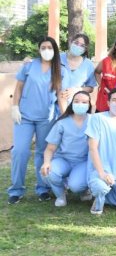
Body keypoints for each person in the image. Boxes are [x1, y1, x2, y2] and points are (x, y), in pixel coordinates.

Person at [8, 36, 67, 205]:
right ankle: (16, 190)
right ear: (39, 49)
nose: (46, 50)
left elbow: (61, 96)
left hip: (46, 119)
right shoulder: (28, 66)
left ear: (54, 50)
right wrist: (14, 107)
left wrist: (64, 116)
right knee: (19, 151)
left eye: (50, 47)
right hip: (24, 117)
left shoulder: (59, 70)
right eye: (43, 47)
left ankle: (42, 188)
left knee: (43, 154)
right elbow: (18, 88)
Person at [40, 91, 92, 207]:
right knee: (49, 173)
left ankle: (84, 190)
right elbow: (50, 148)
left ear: (89, 105)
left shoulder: (94, 121)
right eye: (76, 101)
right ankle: (60, 195)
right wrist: (47, 162)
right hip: (64, 160)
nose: (80, 104)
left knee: (75, 186)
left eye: (84, 102)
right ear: (71, 103)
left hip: (83, 162)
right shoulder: (62, 123)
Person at [60, 33, 97, 104]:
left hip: (75, 105)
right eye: (76, 43)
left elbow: (90, 87)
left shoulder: (88, 64)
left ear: (85, 49)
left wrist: (76, 90)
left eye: (82, 46)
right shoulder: (58, 58)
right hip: (54, 104)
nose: (78, 46)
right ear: (71, 42)